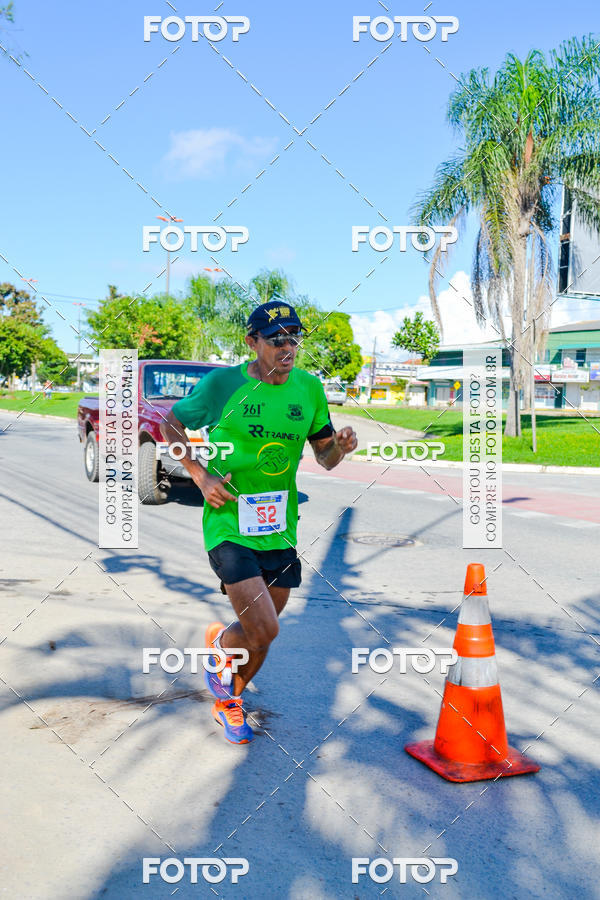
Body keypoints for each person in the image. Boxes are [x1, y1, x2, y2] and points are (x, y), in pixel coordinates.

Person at [161, 300, 357, 744]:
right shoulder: (223, 385)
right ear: (252, 342)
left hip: (280, 526)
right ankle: (225, 676)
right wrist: (200, 474)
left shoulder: (308, 389)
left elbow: (324, 457)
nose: (288, 349)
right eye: (276, 340)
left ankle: (229, 687)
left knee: (258, 636)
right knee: (265, 628)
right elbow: (171, 426)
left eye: (294, 339)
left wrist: (340, 447)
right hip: (228, 521)